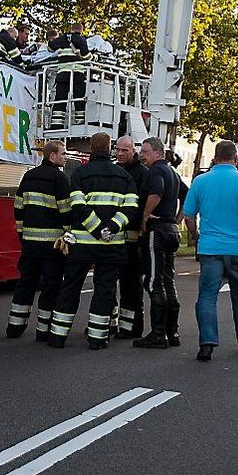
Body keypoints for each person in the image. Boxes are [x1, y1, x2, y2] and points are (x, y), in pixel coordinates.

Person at [48, 132, 137, 350]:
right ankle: (97, 338)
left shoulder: (80, 173)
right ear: (110, 148)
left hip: (83, 244)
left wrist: (96, 228)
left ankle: (58, 336)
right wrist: (112, 227)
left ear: (92, 148)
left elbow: (77, 206)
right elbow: (131, 208)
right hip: (111, 245)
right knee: (104, 290)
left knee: (70, 287)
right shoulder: (124, 176)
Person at [183, 140, 238, 362]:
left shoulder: (200, 182)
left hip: (210, 248)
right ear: (236, 157)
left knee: (207, 296)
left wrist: (196, 236)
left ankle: (207, 344)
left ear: (215, 157)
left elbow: (189, 216)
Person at [7, 140, 73, 340]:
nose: (65, 157)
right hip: (52, 246)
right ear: (52, 156)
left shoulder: (28, 176)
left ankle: (14, 327)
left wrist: (23, 235)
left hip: (29, 244)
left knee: (25, 284)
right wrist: (69, 235)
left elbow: (18, 209)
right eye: (62, 153)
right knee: (50, 286)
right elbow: (66, 212)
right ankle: (43, 330)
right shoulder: (59, 179)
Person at [133, 137, 183, 349]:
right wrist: (177, 219)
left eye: (145, 151)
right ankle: (173, 332)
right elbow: (187, 195)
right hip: (171, 230)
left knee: (154, 281)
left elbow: (156, 192)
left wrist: (145, 214)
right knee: (168, 280)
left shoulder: (156, 171)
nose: (142, 155)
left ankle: (158, 334)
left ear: (157, 153)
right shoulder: (174, 172)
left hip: (158, 231)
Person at [113, 135, 149, 339]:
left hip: (133, 238)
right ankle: (112, 324)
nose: (119, 154)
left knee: (131, 285)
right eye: (117, 150)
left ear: (133, 150)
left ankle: (133, 327)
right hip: (115, 235)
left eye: (124, 151)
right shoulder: (117, 170)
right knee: (112, 282)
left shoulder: (142, 173)